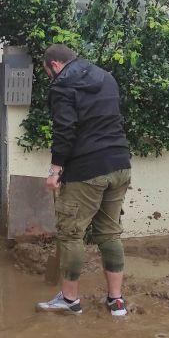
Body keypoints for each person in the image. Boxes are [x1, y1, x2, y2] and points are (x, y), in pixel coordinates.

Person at [36, 45, 132, 317]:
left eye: (48, 73)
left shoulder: (62, 87)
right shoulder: (106, 77)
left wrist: (55, 171)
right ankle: (116, 301)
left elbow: (64, 130)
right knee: (109, 233)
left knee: (71, 233)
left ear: (54, 65)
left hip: (87, 170)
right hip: (120, 164)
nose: (50, 79)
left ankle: (69, 300)